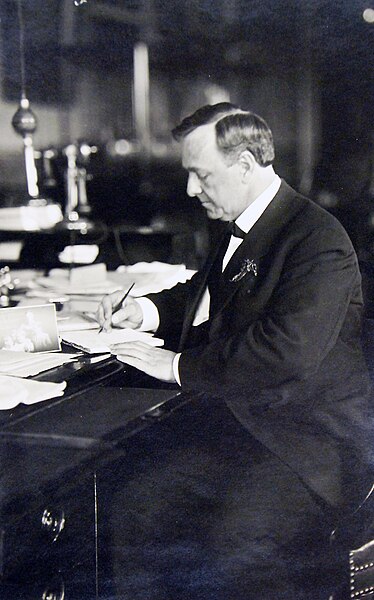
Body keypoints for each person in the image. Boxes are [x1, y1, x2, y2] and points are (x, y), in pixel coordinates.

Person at [97, 103, 373, 598]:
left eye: (200, 175)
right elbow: (213, 296)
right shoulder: (237, 220)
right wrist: (147, 312)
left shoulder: (317, 238)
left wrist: (177, 365)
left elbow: (285, 350)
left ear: (245, 165)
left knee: (235, 540)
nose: (189, 190)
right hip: (246, 428)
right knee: (132, 507)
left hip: (310, 443)